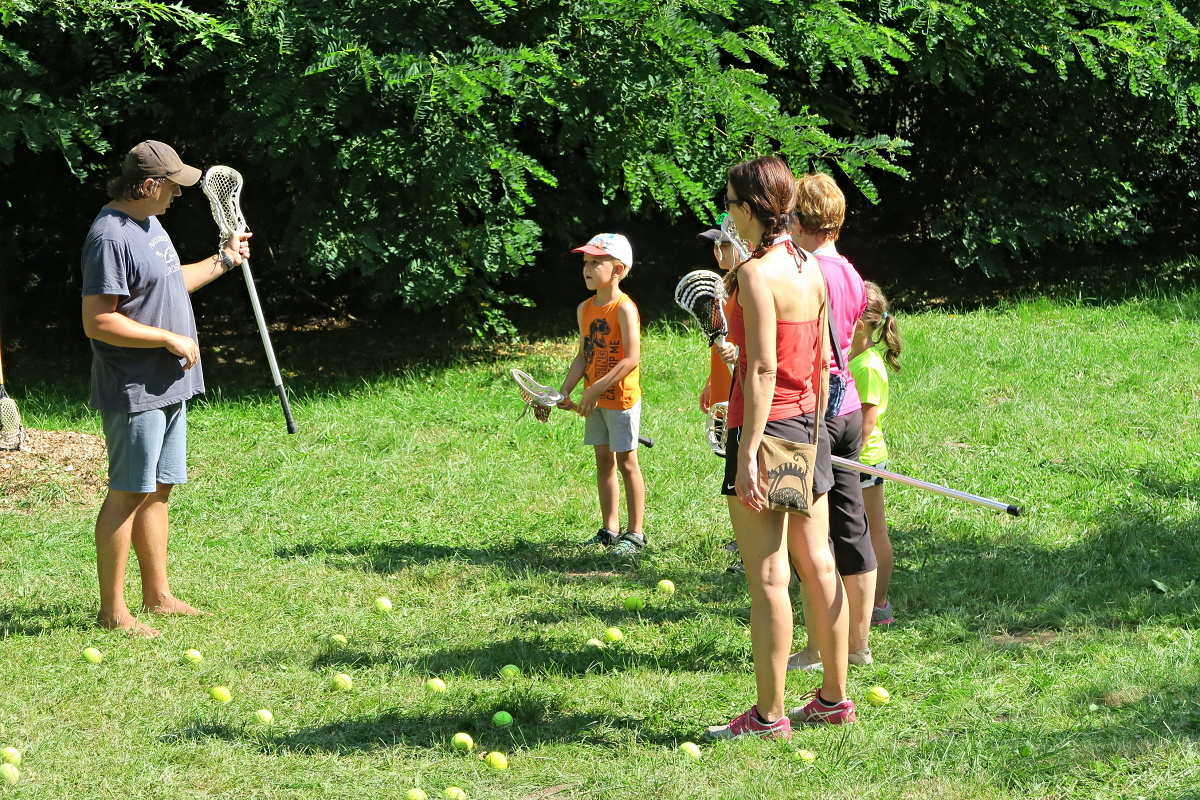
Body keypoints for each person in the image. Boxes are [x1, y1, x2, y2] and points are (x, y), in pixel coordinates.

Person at [705, 157, 852, 742]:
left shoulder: (757, 274)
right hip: (808, 428)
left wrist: (745, 458)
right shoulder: (810, 268)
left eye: (729, 205)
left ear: (748, 209)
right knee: (816, 562)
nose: (726, 215)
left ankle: (769, 716)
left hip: (764, 432)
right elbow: (819, 361)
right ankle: (834, 699)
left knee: (769, 579)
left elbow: (761, 370)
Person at [81, 140, 252, 637]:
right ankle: (114, 612)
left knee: (159, 490)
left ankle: (157, 596)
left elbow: (169, 282)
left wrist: (223, 261)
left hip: (169, 382)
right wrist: (166, 337)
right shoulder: (109, 237)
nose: (179, 194)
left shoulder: (148, 224)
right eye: (174, 186)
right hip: (135, 387)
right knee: (127, 493)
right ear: (150, 185)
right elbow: (98, 320)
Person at [786, 172, 879, 672]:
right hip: (848, 413)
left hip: (816, 413)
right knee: (852, 528)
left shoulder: (806, 272)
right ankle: (857, 645)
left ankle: (821, 648)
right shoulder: (851, 272)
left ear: (797, 219)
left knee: (809, 538)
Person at [557, 233, 647, 557]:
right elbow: (583, 355)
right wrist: (567, 389)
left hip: (620, 399)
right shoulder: (584, 308)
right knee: (603, 461)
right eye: (585, 262)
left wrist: (595, 389)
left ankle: (635, 534)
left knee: (627, 464)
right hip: (594, 400)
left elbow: (631, 358)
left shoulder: (624, 308)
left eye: (597, 262)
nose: (588, 267)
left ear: (618, 269)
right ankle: (610, 530)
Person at [849, 281, 902, 625]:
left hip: (863, 459)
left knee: (873, 530)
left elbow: (866, 422)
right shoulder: (849, 355)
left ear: (858, 321)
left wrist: (848, 458)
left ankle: (879, 602)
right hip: (852, 457)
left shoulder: (867, 366)